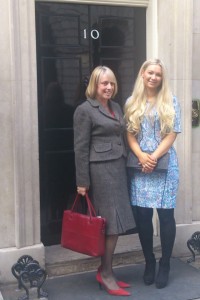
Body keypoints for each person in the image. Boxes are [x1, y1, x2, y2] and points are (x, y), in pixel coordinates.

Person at [73, 66, 135, 296]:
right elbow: (80, 148)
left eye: (111, 83)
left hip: (118, 168)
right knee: (109, 225)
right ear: (95, 86)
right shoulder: (84, 110)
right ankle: (106, 273)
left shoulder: (116, 107)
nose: (109, 87)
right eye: (104, 83)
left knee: (115, 224)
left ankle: (107, 269)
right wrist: (82, 182)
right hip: (100, 172)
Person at [124, 58, 181, 289]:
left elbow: (172, 133)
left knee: (166, 216)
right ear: (142, 74)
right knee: (143, 217)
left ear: (161, 78)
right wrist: (142, 157)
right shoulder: (131, 102)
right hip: (140, 166)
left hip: (165, 164)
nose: (153, 77)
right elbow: (129, 134)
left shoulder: (171, 101)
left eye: (158, 74)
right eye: (150, 73)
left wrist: (153, 157)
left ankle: (165, 263)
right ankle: (149, 261)